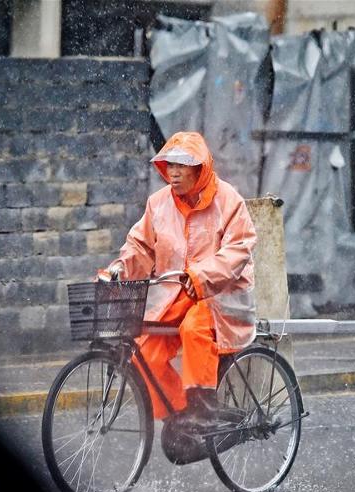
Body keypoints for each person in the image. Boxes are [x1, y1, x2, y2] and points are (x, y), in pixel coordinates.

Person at [97, 131, 257, 425]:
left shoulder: (229, 200)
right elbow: (140, 247)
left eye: (182, 165)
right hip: (174, 294)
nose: (174, 171)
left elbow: (239, 248)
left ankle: (203, 408)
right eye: (170, 165)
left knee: (196, 328)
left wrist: (200, 276)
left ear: (200, 168)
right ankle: (181, 414)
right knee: (145, 352)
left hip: (221, 297)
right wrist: (118, 269)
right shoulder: (158, 204)